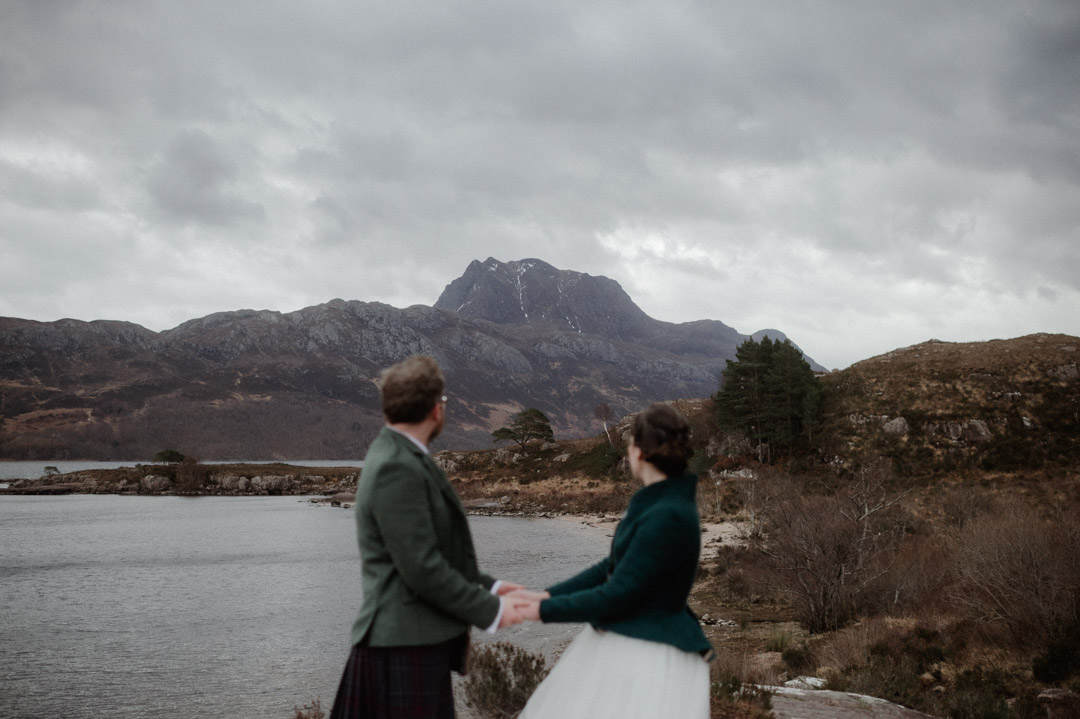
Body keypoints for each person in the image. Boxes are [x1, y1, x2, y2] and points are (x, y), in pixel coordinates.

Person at [330, 355, 526, 719]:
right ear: (437, 410)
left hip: (409, 645)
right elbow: (421, 568)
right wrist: (493, 611)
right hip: (402, 648)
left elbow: (430, 553)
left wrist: (492, 586)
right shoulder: (396, 466)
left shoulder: (403, 456)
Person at [511, 403, 713, 719]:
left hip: (646, 655)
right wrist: (546, 596)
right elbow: (611, 566)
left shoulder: (668, 514)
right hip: (636, 641)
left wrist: (540, 611)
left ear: (639, 451)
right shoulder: (659, 503)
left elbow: (617, 594)